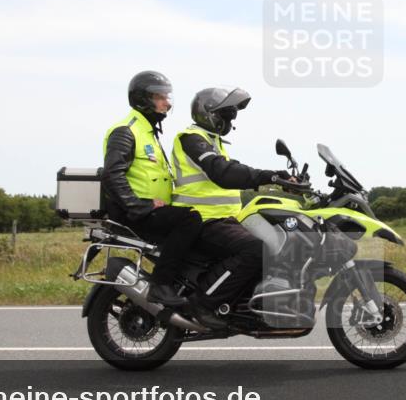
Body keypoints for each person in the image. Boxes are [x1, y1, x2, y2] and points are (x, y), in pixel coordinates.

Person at [170, 87, 291, 328]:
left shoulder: (212, 142)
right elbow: (223, 173)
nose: (229, 122)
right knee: (256, 250)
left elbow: (233, 169)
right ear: (210, 114)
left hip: (223, 219)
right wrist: (270, 177)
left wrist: (283, 179)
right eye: (225, 116)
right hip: (201, 220)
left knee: (276, 242)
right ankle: (203, 304)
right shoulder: (191, 138)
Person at [102, 71, 202, 306]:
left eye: (167, 97)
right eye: (160, 97)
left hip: (149, 210)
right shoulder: (126, 131)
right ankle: (161, 285)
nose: (167, 103)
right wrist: (139, 206)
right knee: (190, 220)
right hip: (135, 213)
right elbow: (112, 174)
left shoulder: (148, 133)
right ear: (143, 99)